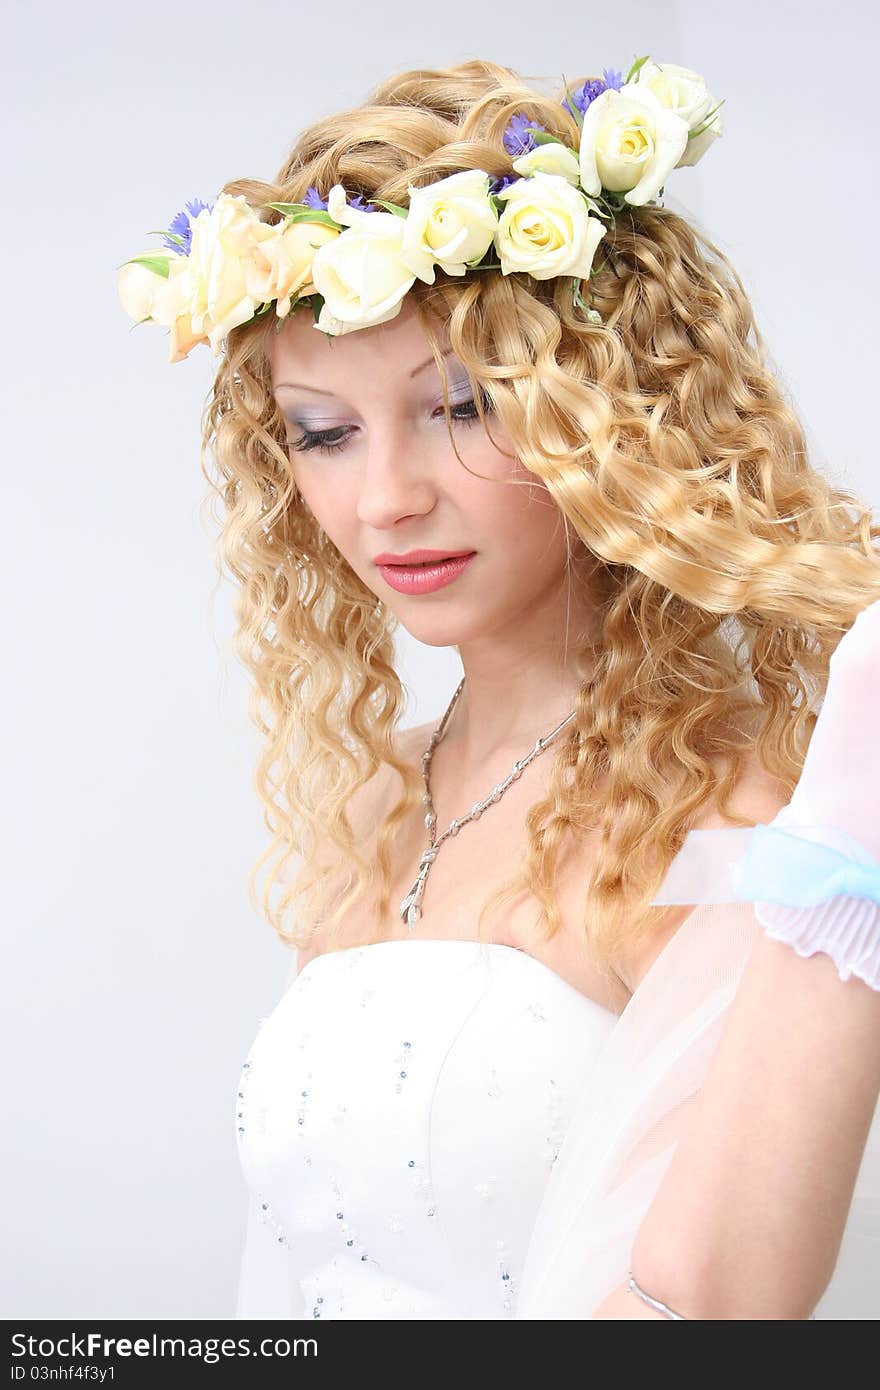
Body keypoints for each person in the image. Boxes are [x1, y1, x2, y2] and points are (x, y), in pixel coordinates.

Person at [118, 56, 880, 1319]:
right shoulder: (377, 802)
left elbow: (724, 1310)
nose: (386, 496)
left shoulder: (731, 833)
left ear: (612, 420)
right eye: (324, 430)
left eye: (463, 409)